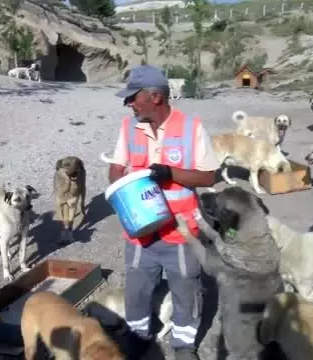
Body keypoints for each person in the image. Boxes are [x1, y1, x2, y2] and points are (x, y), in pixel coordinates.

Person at [108, 65, 220, 360]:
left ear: (156, 97)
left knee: (187, 292)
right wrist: (122, 194)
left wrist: (170, 173)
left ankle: (184, 346)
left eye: (134, 97)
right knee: (137, 292)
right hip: (139, 233)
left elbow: (208, 177)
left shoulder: (191, 128)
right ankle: (137, 337)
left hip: (180, 232)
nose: (129, 103)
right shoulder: (128, 127)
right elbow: (116, 167)